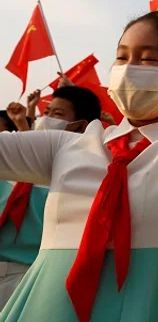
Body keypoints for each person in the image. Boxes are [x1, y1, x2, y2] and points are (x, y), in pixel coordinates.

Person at [0, 8, 158, 322]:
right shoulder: (69, 145)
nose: (129, 69)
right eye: (121, 58)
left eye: (148, 59)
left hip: (141, 307)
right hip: (45, 306)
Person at [0, 86, 101, 309]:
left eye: (57, 114)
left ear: (82, 125)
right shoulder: (12, 167)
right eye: (46, 112)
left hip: (34, 277)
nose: (46, 119)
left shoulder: (86, 179)